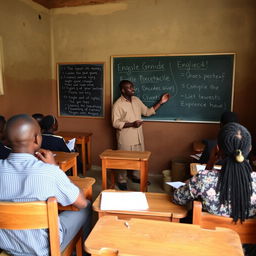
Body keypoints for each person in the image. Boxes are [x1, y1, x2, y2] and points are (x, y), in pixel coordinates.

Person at [0, 114, 91, 255]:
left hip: (9, 246)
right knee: (87, 207)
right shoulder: (49, 172)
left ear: (5, 141)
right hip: (44, 247)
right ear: (36, 139)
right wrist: (55, 167)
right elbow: (81, 202)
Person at [173, 122, 256, 223]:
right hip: (243, 239)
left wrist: (210, 162)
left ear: (218, 149)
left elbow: (178, 198)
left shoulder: (204, 180)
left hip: (207, 237)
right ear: (249, 149)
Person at [112, 80, 170, 190]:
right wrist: (132, 124)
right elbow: (115, 123)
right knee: (123, 160)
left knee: (139, 159)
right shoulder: (118, 104)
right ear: (123, 90)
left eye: (132, 87)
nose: (133, 89)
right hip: (126, 138)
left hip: (138, 136)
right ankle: (121, 180)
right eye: (129, 87)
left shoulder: (136, 100)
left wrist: (160, 102)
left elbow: (147, 112)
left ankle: (135, 176)